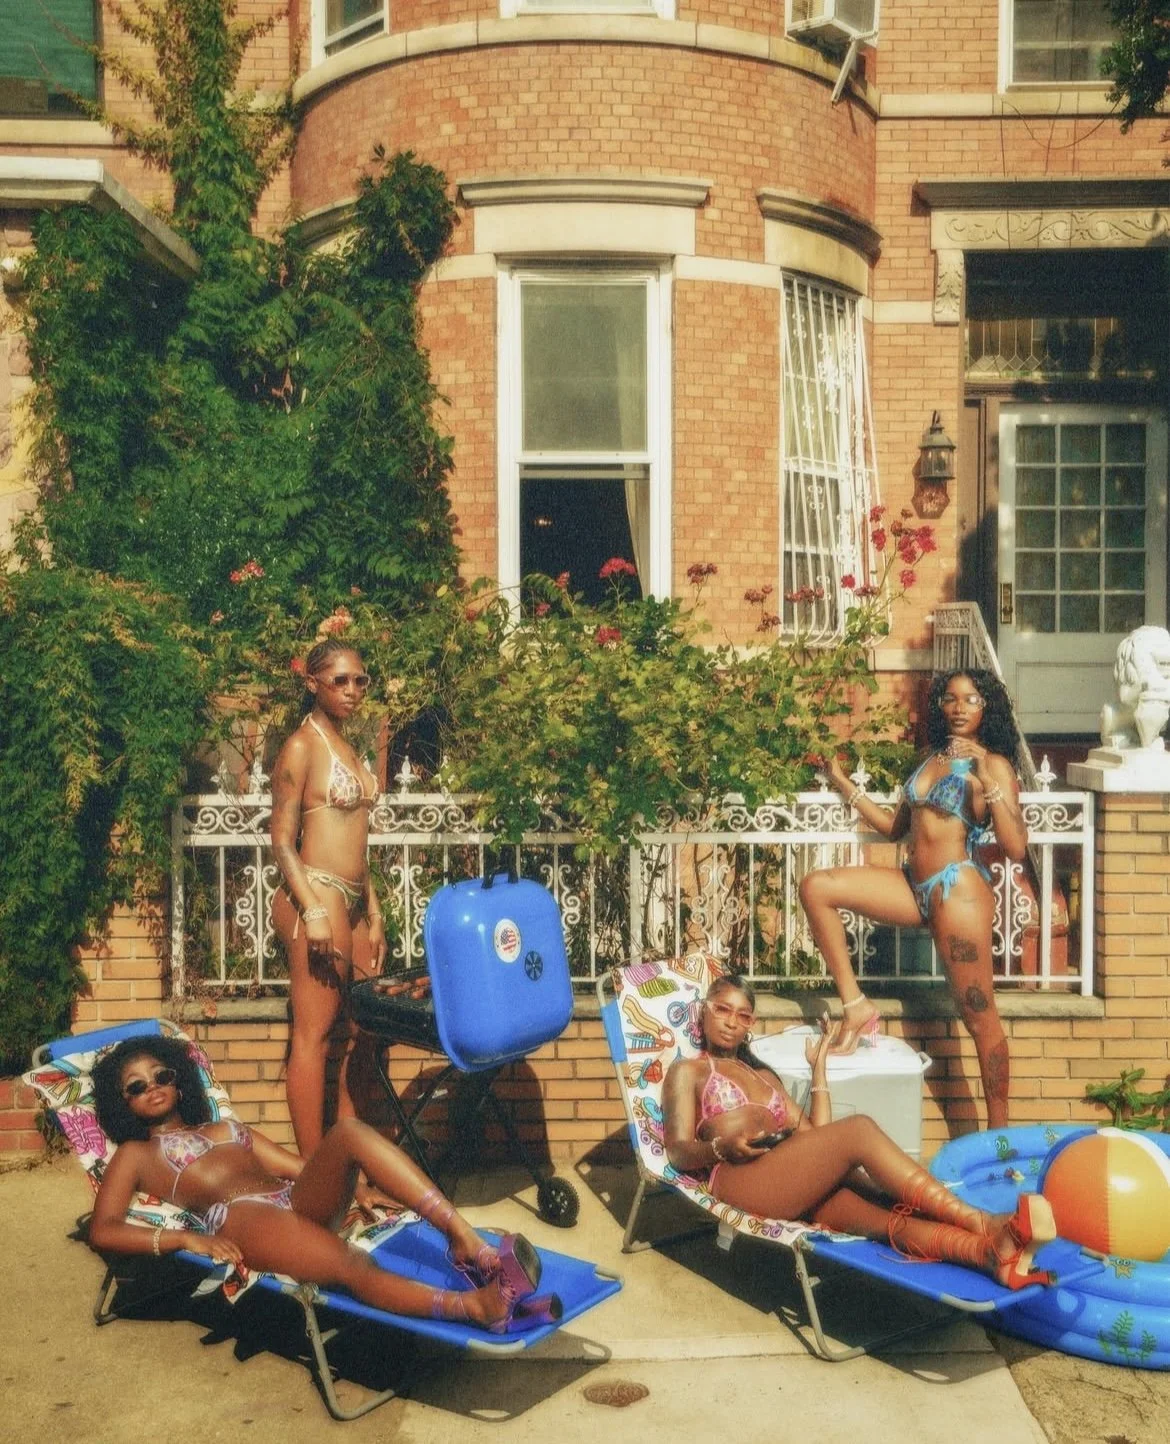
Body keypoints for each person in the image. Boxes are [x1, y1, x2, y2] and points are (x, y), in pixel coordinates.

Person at [88, 1035, 560, 1332]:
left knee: (349, 1133)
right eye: (135, 1085)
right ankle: (476, 1308)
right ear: (121, 1102)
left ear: (179, 1080)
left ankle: (465, 1240)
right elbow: (104, 1228)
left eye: (160, 1075)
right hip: (243, 1220)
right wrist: (185, 1238)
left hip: (292, 1201)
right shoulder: (136, 1155)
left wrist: (354, 1187)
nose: (151, 1086)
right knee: (349, 1265)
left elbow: (299, 1167)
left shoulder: (225, 1126)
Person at [662, 976, 1055, 1288]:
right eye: (722, 1010)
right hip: (736, 1177)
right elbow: (677, 1152)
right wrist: (717, 1146)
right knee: (860, 1131)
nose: (732, 1021)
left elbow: (815, 1133)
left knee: (882, 1216)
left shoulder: (763, 1075)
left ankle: (989, 1254)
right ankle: (982, 1221)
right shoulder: (689, 1072)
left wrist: (819, 1068)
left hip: (785, 1176)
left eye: (743, 1015)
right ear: (704, 1012)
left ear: (750, 1025)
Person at [799, 669, 1027, 1128]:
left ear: (987, 709)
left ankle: (999, 1135)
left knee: (978, 1018)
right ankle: (857, 1006)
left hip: (958, 890)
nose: (959, 707)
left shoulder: (993, 764)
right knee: (817, 887)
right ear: (940, 706)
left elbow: (1016, 846)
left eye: (971, 699)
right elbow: (894, 828)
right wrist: (842, 780)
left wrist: (989, 780)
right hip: (914, 885)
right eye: (950, 698)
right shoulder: (929, 760)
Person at [270, 638, 388, 1173]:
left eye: (360, 680)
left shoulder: (348, 744)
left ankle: (349, 1161)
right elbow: (280, 839)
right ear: (312, 683)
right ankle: (313, 1176)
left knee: (366, 1030)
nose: (352, 690)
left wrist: (377, 908)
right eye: (339, 680)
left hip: (355, 900)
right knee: (314, 1035)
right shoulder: (302, 745)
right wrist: (312, 907)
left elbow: (359, 841)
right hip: (314, 893)